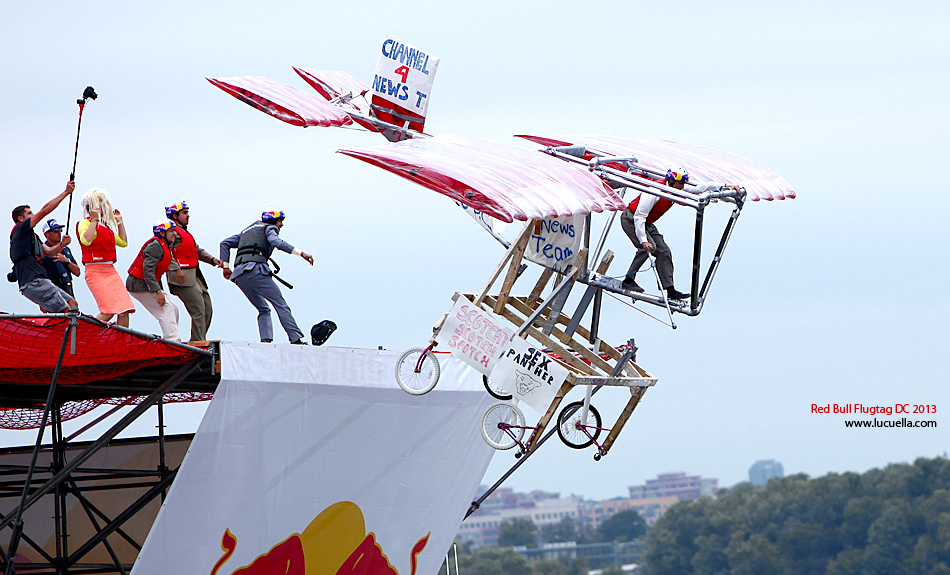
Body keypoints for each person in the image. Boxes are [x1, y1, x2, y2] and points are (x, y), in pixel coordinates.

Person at [620, 166, 740, 300]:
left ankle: (670, 290)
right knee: (647, 247)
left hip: (647, 223)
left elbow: (698, 189)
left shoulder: (675, 189)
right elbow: (639, 217)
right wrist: (644, 240)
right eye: (681, 183)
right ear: (671, 181)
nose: (683, 186)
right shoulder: (654, 191)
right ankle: (628, 280)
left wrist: (724, 186)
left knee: (664, 251)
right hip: (631, 219)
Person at [219, 208, 314, 344]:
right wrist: (301, 253)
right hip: (256, 271)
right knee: (280, 304)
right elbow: (277, 242)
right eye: (280, 221)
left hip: (239, 275)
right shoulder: (269, 229)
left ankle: (265, 340)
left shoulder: (247, 231)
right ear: (273, 221)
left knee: (263, 309)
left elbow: (225, 243)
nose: (281, 225)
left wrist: (226, 268)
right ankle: (295, 338)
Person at [9, 182, 80, 313]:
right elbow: (45, 210)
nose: (33, 215)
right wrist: (66, 193)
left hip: (40, 281)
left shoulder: (31, 236)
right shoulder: (21, 228)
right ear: (20, 218)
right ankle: (70, 333)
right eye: (30, 213)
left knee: (73, 303)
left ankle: (74, 332)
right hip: (33, 282)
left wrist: (62, 244)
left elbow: (49, 251)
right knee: (66, 311)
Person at [163, 201, 222, 342]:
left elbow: (197, 250)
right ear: (175, 216)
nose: (188, 215)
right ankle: (198, 343)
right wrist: (176, 269)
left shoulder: (184, 232)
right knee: (198, 311)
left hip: (195, 276)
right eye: (185, 213)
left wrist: (213, 260)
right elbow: (164, 251)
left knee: (207, 309)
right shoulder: (171, 232)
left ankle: (198, 340)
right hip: (182, 278)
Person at [77, 188, 135, 326]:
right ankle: (88, 335)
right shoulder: (85, 223)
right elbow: (86, 240)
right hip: (95, 271)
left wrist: (120, 222)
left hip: (110, 270)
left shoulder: (105, 227)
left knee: (124, 309)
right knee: (109, 310)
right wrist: (94, 221)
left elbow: (123, 242)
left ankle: (122, 342)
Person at [126, 219, 181, 341]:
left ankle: (173, 340)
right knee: (166, 308)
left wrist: (158, 290)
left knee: (173, 307)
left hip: (146, 284)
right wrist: (158, 292)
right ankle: (172, 341)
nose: (175, 234)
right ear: (162, 233)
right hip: (138, 284)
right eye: (171, 231)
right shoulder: (155, 246)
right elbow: (148, 271)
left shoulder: (164, 244)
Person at [41, 218, 81, 297]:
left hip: (66, 287)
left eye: (60, 230)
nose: (59, 233)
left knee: (72, 307)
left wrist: (66, 260)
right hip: (51, 289)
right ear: (46, 234)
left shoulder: (65, 249)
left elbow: (77, 272)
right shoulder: (42, 250)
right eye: (56, 230)